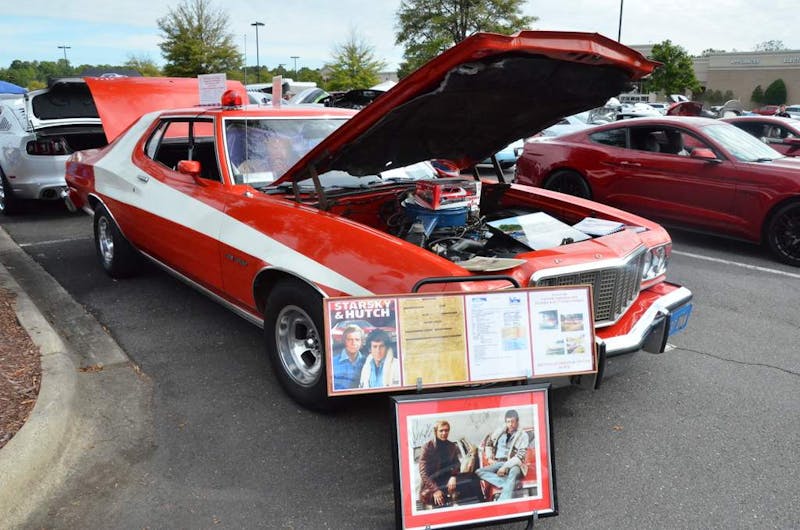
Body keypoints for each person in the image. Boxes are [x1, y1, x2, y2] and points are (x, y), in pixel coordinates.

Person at [476, 409, 529, 501]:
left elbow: (520, 456)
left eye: (513, 421)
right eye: (508, 422)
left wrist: (505, 467)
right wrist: (489, 458)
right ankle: (508, 484)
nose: (510, 424)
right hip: (498, 462)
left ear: (517, 421)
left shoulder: (523, 435)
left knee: (513, 472)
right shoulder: (499, 432)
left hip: (515, 464)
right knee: (479, 472)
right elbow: (489, 443)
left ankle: (502, 502)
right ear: (505, 422)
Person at [418, 420, 463, 508]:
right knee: (428, 498)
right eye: (441, 430)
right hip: (432, 482)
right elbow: (423, 473)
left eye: (446, 430)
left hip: (447, 480)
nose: (444, 433)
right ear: (435, 431)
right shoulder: (427, 447)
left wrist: (453, 476)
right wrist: (435, 490)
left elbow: (457, 464)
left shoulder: (452, 446)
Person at [332, 325, 366, 390]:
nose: (353, 343)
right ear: (344, 341)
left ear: (361, 342)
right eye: (350, 339)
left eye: (357, 340)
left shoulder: (366, 362)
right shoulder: (333, 362)